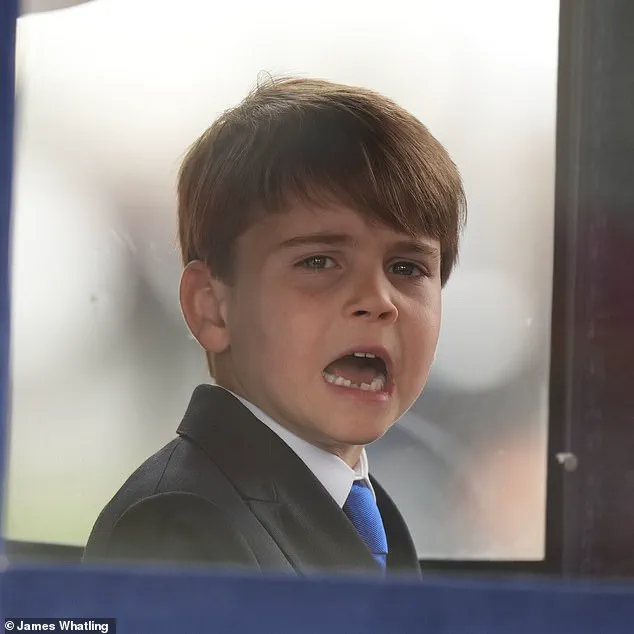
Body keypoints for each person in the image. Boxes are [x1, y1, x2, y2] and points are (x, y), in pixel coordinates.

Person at [83, 76, 466, 577]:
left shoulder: (370, 515)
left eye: (407, 268)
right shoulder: (179, 526)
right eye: (319, 262)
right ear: (212, 308)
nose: (378, 301)